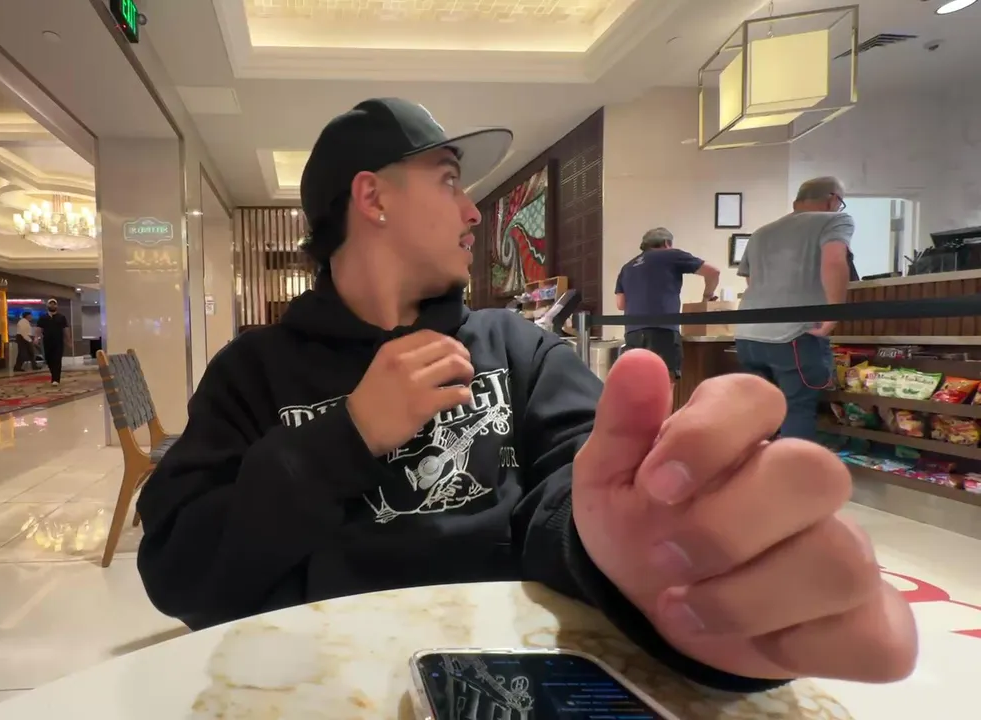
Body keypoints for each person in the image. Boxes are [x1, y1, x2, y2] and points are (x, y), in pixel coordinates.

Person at [136, 100, 914, 690]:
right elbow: (179, 570)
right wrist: (346, 436)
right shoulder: (253, 371)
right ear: (372, 198)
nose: (474, 210)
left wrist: (647, 559)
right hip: (321, 690)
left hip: (512, 684)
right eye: (450, 181)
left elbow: (579, 487)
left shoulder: (517, 348)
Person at [735, 177, 854, 440]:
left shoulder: (761, 232)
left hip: (748, 335)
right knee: (796, 408)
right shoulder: (834, 220)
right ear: (833, 200)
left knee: (758, 410)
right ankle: (792, 465)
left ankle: (753, 463)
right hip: (792, 335)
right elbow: (834, 261)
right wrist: (833, 313)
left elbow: (751, 280)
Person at [614, 228, 720, 380]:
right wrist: (707, 296)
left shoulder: (627, 267)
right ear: (666, 243)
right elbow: (713, 272)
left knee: (639, 381)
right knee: (665, 381)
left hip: (633, 332)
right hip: (662, 330)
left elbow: (620, 304)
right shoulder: (671, 255)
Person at [36, 299, 71, 386]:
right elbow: (39, 328)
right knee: (49, 359)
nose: (52, 306)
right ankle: (53, 374)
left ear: (56, 306)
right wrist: (37, 338)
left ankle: (56, 379)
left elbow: (65, 329)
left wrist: (68, 340)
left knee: (57, 359)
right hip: (47, 341)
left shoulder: (61, 317)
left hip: (58, 341)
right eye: (50, 304)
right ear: (47, 306)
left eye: (54, 304)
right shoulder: (43, 317)